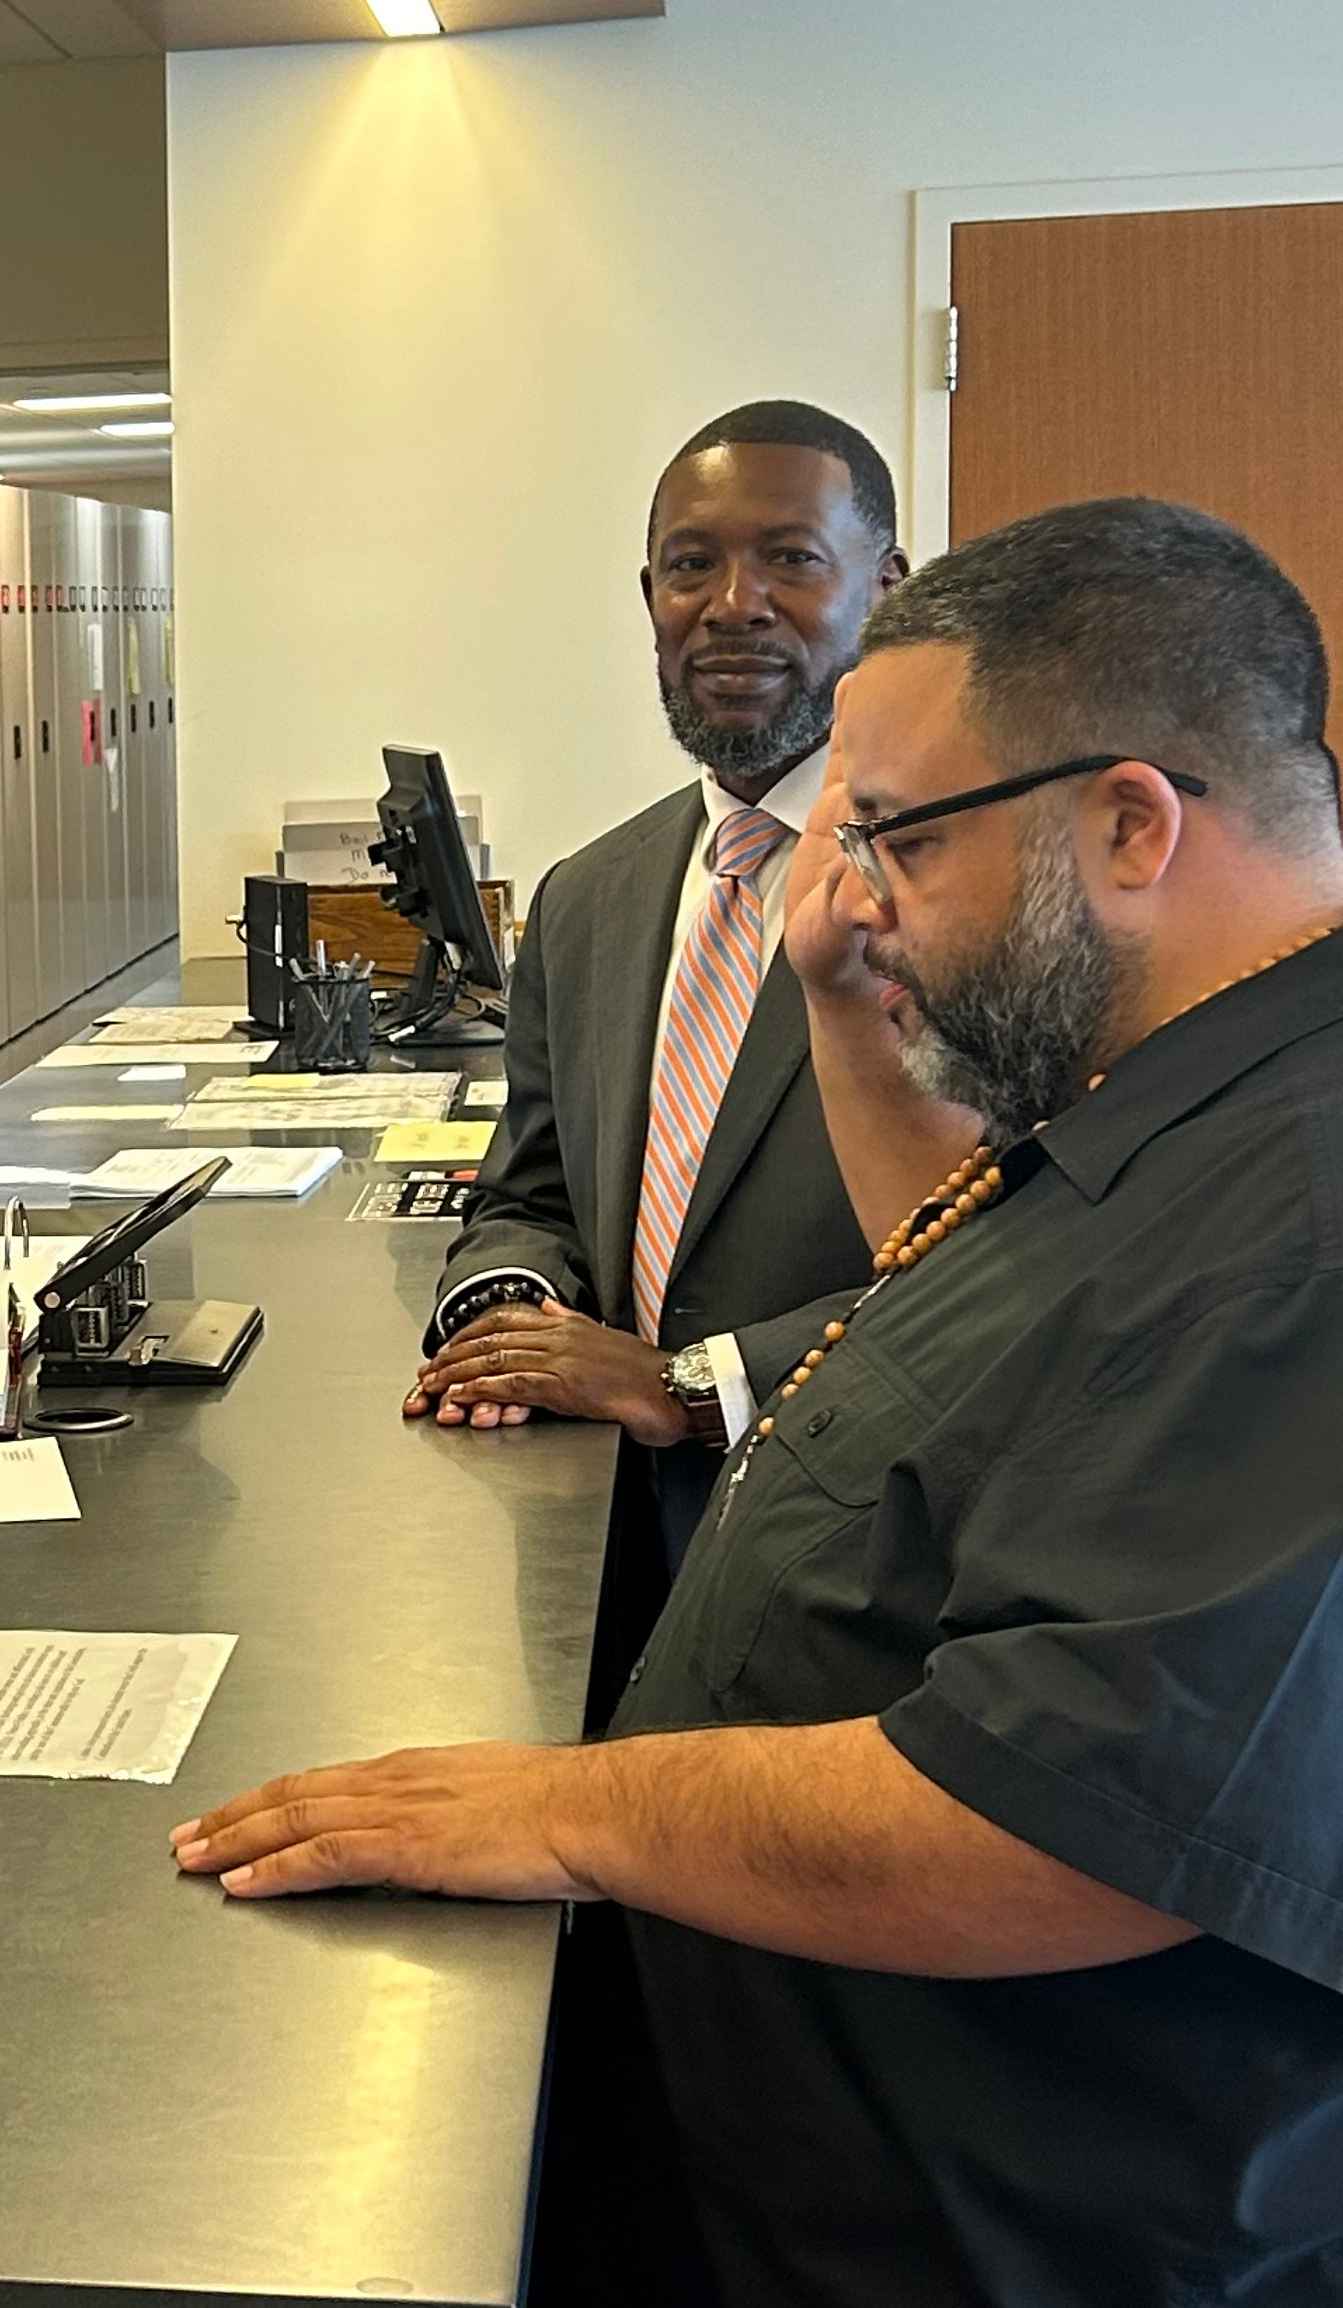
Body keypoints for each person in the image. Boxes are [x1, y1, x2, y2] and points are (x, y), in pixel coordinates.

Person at [178, 497, 1343, 2305]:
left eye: (893, 839)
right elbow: (943, 1309)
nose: (852, 887)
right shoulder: (1164, 1082)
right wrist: (846, 1005)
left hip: (1008, 2228)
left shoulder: (1300, 1206)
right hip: (810, 2160)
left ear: (1125, 822)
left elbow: (1073, 1821)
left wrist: (568, 1810)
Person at [409, 400, 965, 1608]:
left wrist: (697, 1383)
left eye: (790, 560)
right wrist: (508, 1321)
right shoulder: (588, 895)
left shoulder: (969, 896)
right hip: (607, 1559)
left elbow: (1006, 1260)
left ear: (888, 588)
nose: (732, 604)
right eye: (690, 565)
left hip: (865, 1570)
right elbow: (533, 1191)